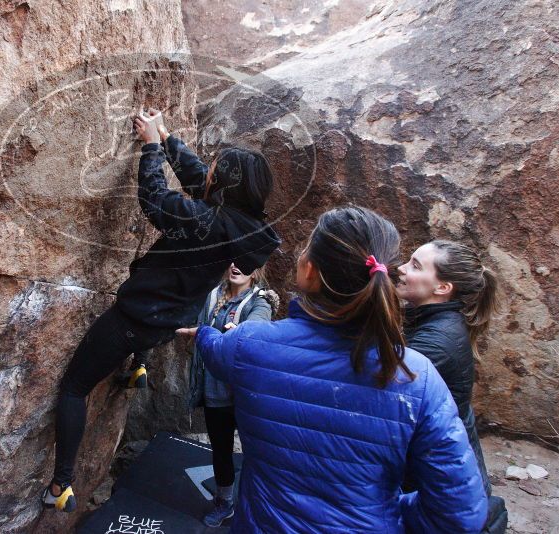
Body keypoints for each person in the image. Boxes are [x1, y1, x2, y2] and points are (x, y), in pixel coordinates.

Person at [177, 206, 488, 533]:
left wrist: (205, 334)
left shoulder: (249, 345)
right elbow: (460, 513)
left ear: (310, 270)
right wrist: (381, 513)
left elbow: (216, 349)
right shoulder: (417, 375)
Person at [41, 109, 281, 512]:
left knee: (74, 387)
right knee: (147, 329)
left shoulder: (205, 220)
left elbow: (155, 199)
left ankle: (61, 483)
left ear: (223, 185)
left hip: (135, 320)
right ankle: (139, 367)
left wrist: (151, 148)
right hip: (169, 319)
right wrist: (166, 137)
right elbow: (200, 181)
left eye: (216, 169)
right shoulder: (244, 224)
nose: (209, 171)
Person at [397, 240, 507, 533]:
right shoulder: (435, 322)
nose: (401, 269)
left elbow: (374, 381)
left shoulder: (437, 343)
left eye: (415, 266)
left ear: (442, 288)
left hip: (435, 486)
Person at [187, 263, 279, 527]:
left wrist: (239, 334)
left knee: (256, 452)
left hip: (246, 395)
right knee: (221, 450)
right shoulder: (213, 295)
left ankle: (257, 505)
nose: (236, 265)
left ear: (257, 269)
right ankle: (225, 502)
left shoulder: (260, 300)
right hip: (215, 390)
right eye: (234, 259)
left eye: (246, 262)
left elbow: (257, 326)